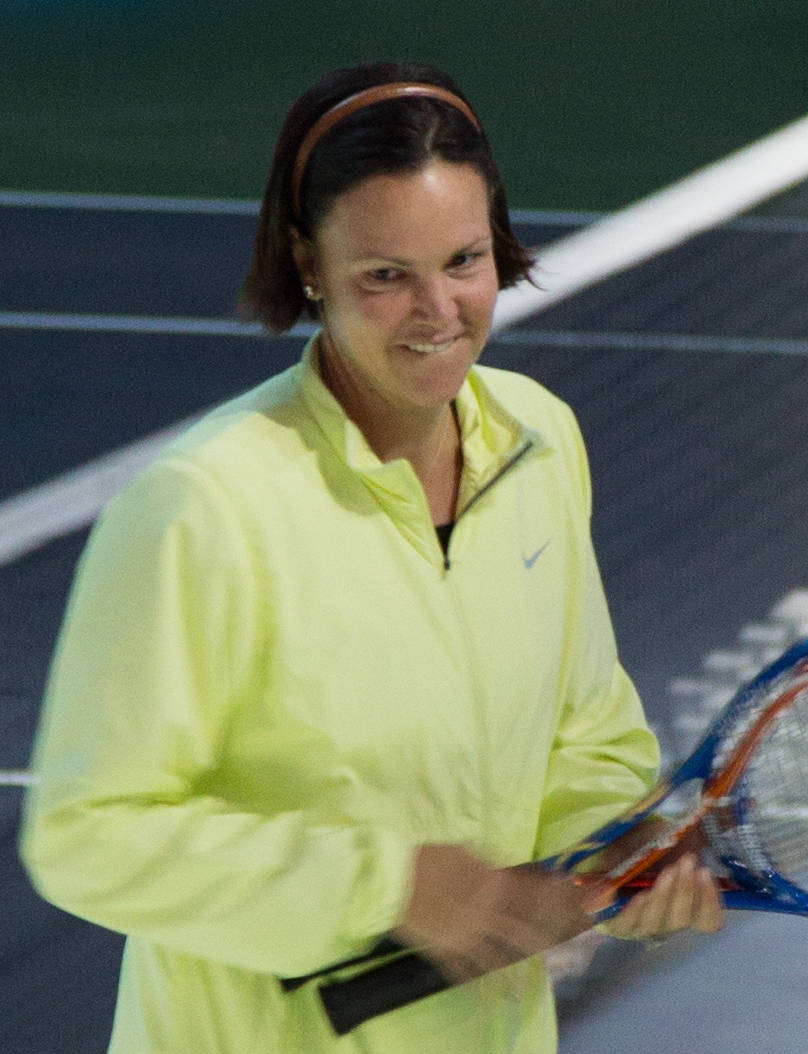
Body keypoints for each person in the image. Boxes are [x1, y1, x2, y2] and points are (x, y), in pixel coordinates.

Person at [20, 61, 722, 1053]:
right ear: (309, 264)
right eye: (387, 275)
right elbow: (88, 836)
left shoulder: (541, 438)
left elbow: (585, 728)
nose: (439, 311)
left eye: (465, 259)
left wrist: (628, 853)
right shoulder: (204, 505)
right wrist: (388, 884)